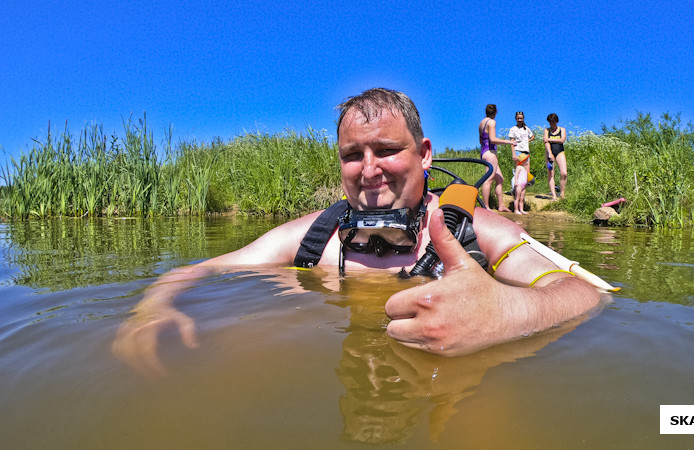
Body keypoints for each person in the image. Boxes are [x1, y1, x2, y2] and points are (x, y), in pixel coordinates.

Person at [112, 88, 602, 378]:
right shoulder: (312, 238)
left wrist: (507, 311)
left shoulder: (482, 231)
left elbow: (586, 293)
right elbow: (197, 270)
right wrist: (149, 310)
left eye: (387, 149)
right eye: (352, 155)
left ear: (425, 154)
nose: (369, 170)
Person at [479, 104, 516, 212]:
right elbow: (493, 139)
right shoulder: (492, 122)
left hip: (484, 152)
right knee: (489, 180)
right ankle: (486, 207)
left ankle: (501, 206)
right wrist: (509, 141)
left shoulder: (481, 123)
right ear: (495, 112)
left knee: (500, 179)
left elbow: (481, 141)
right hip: (490, 153)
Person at [508, 111, 535, 214]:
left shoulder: (526, 128)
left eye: (521, 118)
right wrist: (513, 154)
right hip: (518, 151)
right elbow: (511, 142)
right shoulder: (513, 129)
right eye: (518, 118)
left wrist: (527, 142)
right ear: (516, 119)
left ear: (523, 118)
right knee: (518, 173)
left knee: (526, 175)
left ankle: (522, 198)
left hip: (526, 152)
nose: (520, 120)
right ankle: (515, 192)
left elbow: (532, 136)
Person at [544, 113, 567, 201]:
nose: (551, 124)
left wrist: (550, 139)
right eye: (550, 122)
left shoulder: (562, 129)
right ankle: (554, 195)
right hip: (550, 152)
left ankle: (562, 194)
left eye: (553, 122)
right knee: (551, 173)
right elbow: (545, 142)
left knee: (564, 173)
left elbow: (562, 140)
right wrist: (550, 153)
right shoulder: (547, 130)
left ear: (556, 121)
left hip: (560, 152)